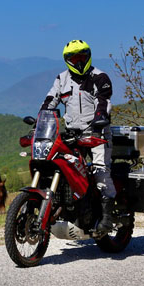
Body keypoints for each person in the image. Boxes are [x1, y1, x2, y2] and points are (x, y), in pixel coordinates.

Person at [40, 39, 116, 234]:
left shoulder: (100, 77)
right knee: (67, 171)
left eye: (82, 56)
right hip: (73, 135)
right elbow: (50, 100)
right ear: (68, 60)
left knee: (100, 171)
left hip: (97, 133)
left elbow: (104, 102)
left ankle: (107, 218)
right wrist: (40, 120)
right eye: (75, 57)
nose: (79, 60)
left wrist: (100, 118)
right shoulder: (61, 79)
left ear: (88, 56)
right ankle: (73, 211)